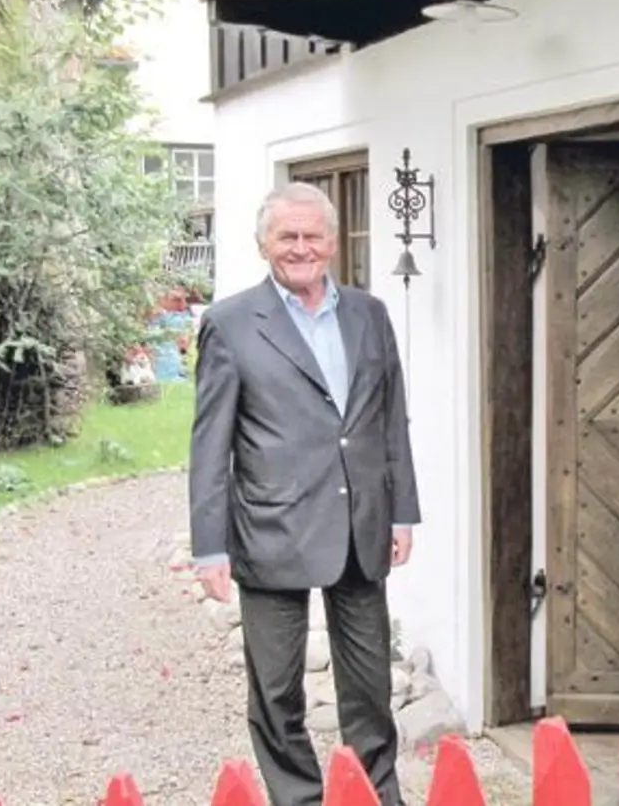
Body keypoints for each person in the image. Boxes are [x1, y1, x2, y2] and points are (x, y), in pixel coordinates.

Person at [188, 182, 421, 806]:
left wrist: (402, 511)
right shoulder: (231, 324)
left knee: (369, 689)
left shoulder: (368, 314)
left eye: (312, 235)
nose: (300, 248)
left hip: (359, 525)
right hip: (271, 530)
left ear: (333, 242)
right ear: (264, 243)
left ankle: (376, 797)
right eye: (286, 236)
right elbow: (211, 445)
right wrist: (209, 547)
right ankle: (300, 800)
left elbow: (389, 419)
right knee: (277, 692)